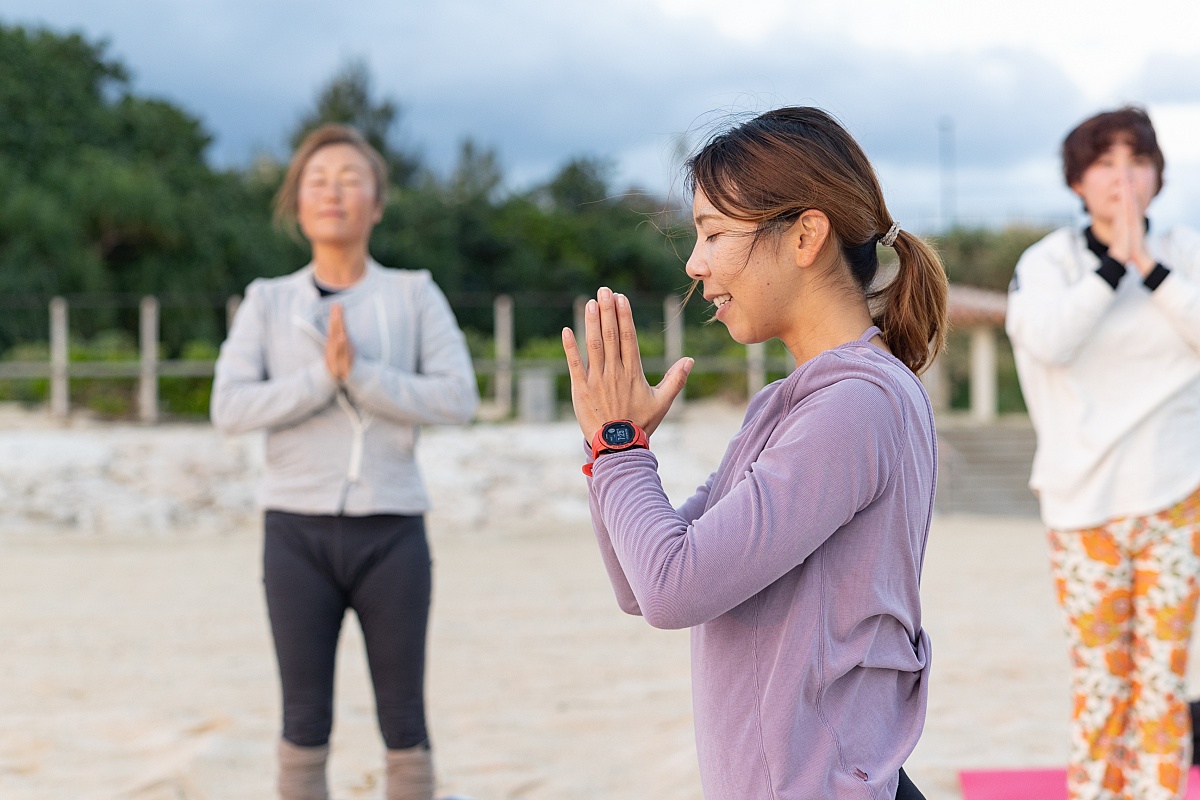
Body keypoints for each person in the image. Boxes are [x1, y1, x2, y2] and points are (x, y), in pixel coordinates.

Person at [561, 106, 947, 800]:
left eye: (712, 233)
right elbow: (640, 581)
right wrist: (610, 447)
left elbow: (671, 587)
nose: (694, 262)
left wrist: (621, 449)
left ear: (805, 235)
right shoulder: (790, 402)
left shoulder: (853, 405)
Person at [211, 124, 478, 800]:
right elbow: (229, 408)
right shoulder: (268, 300)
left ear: (378, 203)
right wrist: (320, 383)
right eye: (317, 180)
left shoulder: (414, 292)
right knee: (302, 719)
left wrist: (362, 377)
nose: (333, 192)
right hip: (293, 532)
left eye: (351, 178)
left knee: (404, 719)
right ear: (296, 203)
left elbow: (459, 396)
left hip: (393, 531)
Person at [1006, 106, 1200, 800]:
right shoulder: (1048, 264)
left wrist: (1149, 265)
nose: (1123, 178)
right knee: (1101, 679)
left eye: (1137, 161)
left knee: (1163, 679)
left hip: (1179, 494)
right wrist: (1113, 265)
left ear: (1158, 175)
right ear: (1077, 181)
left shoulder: (1186, 251)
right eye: (1105, 164)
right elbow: (1049, 340)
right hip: (1083, 501)